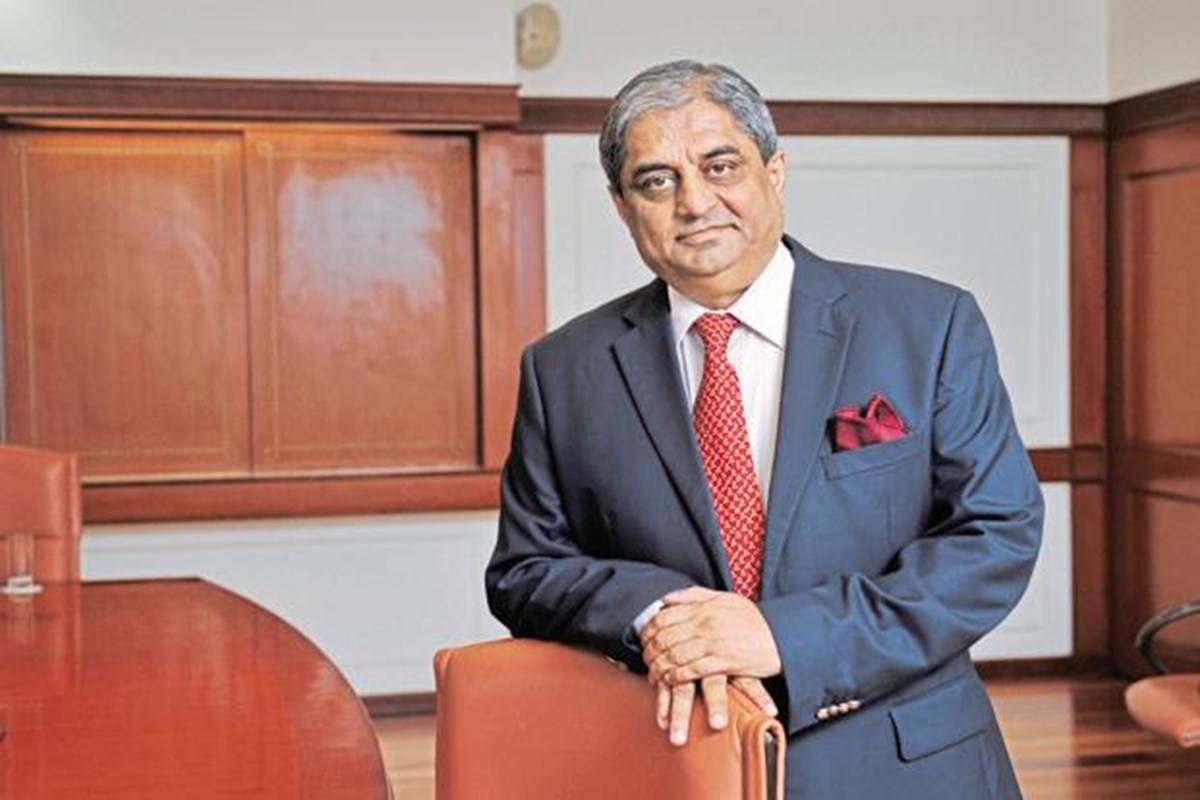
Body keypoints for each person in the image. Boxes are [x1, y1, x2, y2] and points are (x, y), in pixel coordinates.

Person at [486, 59, 1042, 798]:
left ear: (775, 171)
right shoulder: (563, 370)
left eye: (721, 166)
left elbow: (995, 537)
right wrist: (656, 614)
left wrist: (782, 635)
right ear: (622, 206)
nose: (695, 202)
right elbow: (525, 572)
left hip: (908, 765)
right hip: (674, 764)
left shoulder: (928, 324)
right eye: (656, 180)